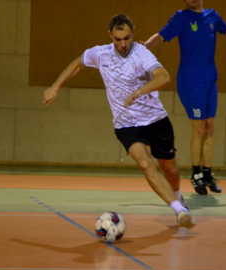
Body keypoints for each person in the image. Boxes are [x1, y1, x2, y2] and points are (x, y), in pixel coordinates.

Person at [42, 14, 193, 227]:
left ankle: (177, 196)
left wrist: (139, 91)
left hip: (155, 119)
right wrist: (55, 86)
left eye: (127, 38)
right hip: (126, 125)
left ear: (133, 34)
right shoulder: (100, 54)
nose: (123, 44)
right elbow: (77, 63)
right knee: (144, 163)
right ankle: (178, 211)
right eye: (118, 39)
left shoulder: (142, 54)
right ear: (110, 36)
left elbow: (164, 77)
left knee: (169, 168)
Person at [144, 0, 226, 195]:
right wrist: (145, 46)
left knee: (209, 127)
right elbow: (160, 36)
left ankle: (207, 173)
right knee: (199, 128)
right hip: (190, 81)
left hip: (210, 80)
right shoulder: (181, 18)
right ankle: (196, 174)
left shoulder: (212, 16)